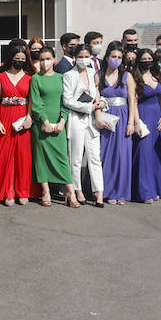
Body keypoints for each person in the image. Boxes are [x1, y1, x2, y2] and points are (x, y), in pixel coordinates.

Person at [0, 43, 35, 206]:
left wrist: (29, 118)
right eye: (17, 58)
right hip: (5, 117)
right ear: (11, 58)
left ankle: (23, 191)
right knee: (4, 155)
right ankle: (8, 192)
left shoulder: (30, 77)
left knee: (23, 156)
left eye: (23, 59)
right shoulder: (1, 76)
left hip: (22, 118)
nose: (20, 61)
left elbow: (31, 100)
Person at [26, 46, 68, 206]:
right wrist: (45, 122)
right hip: (41, 125)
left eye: (48, 59)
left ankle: (69, 192)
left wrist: (62, 121)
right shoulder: (36, 78)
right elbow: (35, 104)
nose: (45, 62)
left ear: (54, 59)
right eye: (42, 59)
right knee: (41, 159)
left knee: (62, 157)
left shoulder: (61, 78)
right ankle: (46, 191)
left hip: (59, 124)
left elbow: (66, 101)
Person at [63, 45, 104, 207]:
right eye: (81, 56)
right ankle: (77, 190)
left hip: (91, 121)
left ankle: (99, 191)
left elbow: (98, 93)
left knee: (95, 157)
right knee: (76, 158)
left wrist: (100, 103)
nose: (84, 59)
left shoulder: (93, 73)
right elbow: (67, 100)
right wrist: (88, 107)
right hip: (76, 120)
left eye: (87, 56)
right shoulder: (68, 75)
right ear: (75, 57)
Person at [98, 43, 136, 205]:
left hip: (123, 116)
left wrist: (131, 123)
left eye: (119, 57)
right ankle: (105, 190)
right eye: (113, 57)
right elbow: (96, 99)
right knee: (104, 155)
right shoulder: (98, 76)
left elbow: (133, 100)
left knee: (122, 156)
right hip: (105, 117)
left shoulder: (127, 76)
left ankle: (121, 192)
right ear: (107, 58)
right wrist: (98, 118)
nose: (116, 60)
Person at [131, 49, 161, 203]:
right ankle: (144, 192)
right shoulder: (134, 77)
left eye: (149, 58)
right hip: (143, 116)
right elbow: (133, 101)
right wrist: (137, 122)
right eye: (144, 58)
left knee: (156, 155)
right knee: (143, 154)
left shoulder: (157, 75)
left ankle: (156, 188)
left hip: (157, 119)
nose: (147, 60)